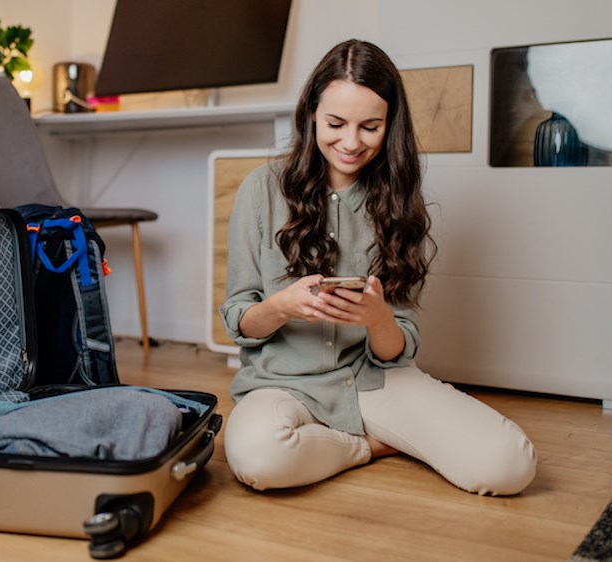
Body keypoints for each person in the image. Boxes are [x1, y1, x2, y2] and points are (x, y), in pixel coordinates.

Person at [219, 39, 537, 496]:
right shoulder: (261, 190)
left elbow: (396, 348)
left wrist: (378, 318)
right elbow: (239, 320)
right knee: (260, 460)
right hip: (281, 385)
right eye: (335, 123)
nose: (351, 142)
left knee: (508, 465)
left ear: (391, 125)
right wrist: (282, 306)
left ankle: (356, 439)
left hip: (374, 380)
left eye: (370, 126)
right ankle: (369, 445)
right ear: (311, 113)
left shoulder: (400, 204)